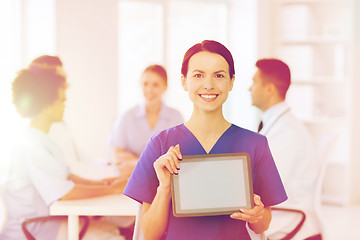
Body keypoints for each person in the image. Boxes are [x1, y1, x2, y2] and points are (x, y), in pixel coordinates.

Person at [123, 40, 287, 240]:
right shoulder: (160, 145)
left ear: (231, 81)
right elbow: (149, 235)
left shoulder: (255, 144)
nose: (208, 85)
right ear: (184, 81)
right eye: (198, 75)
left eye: (219, 76)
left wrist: (257, 215)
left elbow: (263, 224)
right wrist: (165, 187)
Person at [0, 66, 126, 240]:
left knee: (113, 226)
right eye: (61, 100)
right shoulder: (30, 145)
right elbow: (63, 193)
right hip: (32, 227)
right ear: (45, 104)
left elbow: (68, 177)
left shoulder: (43, 140)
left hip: (45, 221)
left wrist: (106, 184)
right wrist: (111, 190)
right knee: (111, 235)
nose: (65, 104)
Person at [249, 58, 321, 239]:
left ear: (269, 89)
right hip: (284, 218)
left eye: (254, 82)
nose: (250, 88)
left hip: (293, 226)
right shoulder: (277, 125)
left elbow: (265, 187)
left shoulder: (286, 133)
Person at [109, 64, 183, 180]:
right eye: (145, 84)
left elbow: (179, 157)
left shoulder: (176, 117)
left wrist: (135, 162)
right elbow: (118, 158)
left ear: (165, 87)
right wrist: (157, 164)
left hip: (165, 181)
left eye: (155, 85)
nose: (149, 90)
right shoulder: (126, 117)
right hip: (131, 181)